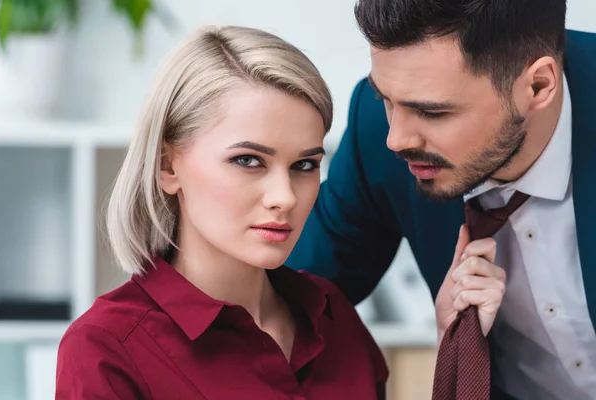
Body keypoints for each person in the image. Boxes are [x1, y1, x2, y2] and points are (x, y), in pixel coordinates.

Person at [55, 25, 389, 400]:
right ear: (168, 166)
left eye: (305, 165)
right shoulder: (107, 349)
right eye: (249, 160)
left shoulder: (335, 316)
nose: (285, 198)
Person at [286, 0, 596, 399]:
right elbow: (290, 297)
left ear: (538, 86)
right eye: (386, 99)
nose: (396, 139)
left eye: (432, 112)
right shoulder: (376, 134)